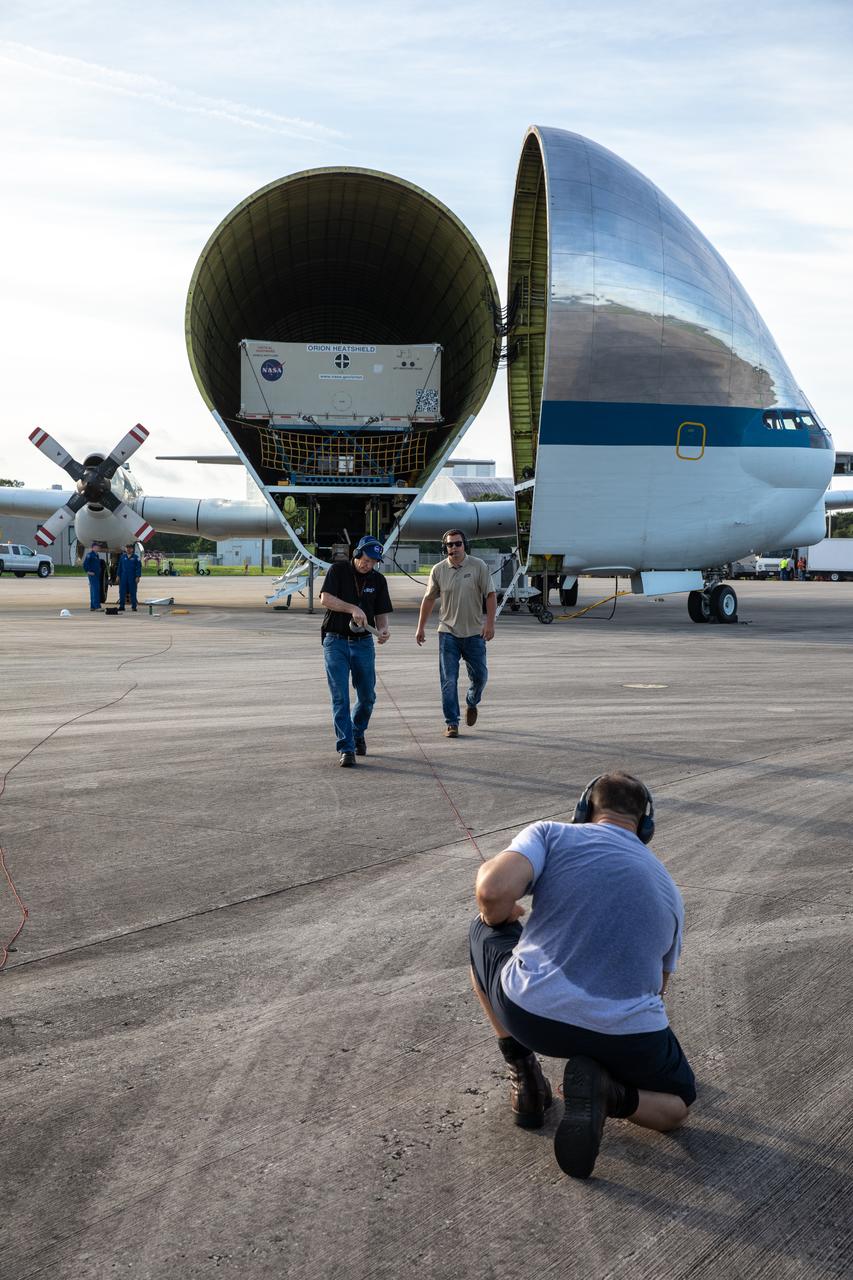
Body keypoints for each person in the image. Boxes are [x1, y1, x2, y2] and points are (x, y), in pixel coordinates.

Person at [468, 771, 696, 1180]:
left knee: (484, 930)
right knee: (677, 1103)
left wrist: (502, 916)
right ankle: (615, 1094)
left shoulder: (552, 835)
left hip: (532, 1014)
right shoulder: (670, 889)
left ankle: (527, 1082)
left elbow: (492, 893)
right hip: (626, 1033)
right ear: (646, 827)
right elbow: (657, 987)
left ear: (583, 809)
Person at [319, 536, 392, 767]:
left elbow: (381, 612)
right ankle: (346, 747)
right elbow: (325, 598)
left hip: (363, 644)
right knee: (340, 696)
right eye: (366, 559)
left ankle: (357, 730)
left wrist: (383, 630)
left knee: (367, 696)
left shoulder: (378, 580)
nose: (368, 564)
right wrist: (352, 608)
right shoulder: (338, 571)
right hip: (336, 641)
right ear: (357, 553)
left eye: (373, 562)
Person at [415, 530, 496, 738]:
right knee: (448, 680)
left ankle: (472, 701)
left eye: (458, 544)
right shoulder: (438, 570)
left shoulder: (478, 566)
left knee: (480, 677)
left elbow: (490, 594)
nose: (454, 548)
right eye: (450, 545)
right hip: (448, 633)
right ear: (445, 548)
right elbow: (429, 599)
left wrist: (489, 624)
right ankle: (452, 722)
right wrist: (420, 627)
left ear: (464, 545)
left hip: (474, 633)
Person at [117, 543, 142, 612]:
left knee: (133, 591)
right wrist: (118, 576)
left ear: (132, 549)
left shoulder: (136, 557)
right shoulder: (122, 557)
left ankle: (134, 606)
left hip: (132, 577)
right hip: (123, 577)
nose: (128, 549)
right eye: (127, 548)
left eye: (130, 548)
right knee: (122, 591)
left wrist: (138, 576)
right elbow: (119, 567)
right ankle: (122, 606)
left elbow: (138, 568)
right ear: (125, 549)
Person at [83, 545, 102, 611]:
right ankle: (97, 606)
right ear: (93, 548)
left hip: (96, 575)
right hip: (92, 574)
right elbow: (85, 564)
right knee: (95, 590)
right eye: (96, 547)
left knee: (93, 590)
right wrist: (88, 571)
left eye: (98, 547)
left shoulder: (96, 555)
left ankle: (93, 606)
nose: (98, 548)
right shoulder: (90, 555)